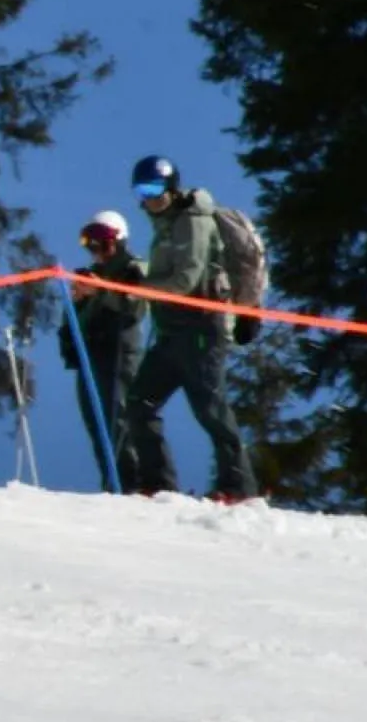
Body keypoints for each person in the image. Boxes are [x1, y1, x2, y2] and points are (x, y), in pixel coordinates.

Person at [118, 155, 257, 503]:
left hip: (200, 329)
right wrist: (141, 275)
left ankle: (239, 486)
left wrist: (143, 287)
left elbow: (185, 279)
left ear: (171, 187)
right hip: (171, 331)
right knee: (139, 402)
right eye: (142, 191)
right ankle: (157, 483)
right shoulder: (166, 224)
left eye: (154, 189)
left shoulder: (192, 221)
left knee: (210, 408)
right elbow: (171, 272)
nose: (149, 199)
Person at [58, 210, 146, 493]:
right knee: (96, 421)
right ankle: (112, 483)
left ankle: (133, 483)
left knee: (118, 420)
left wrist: (100, 293)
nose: (96, 250)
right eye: (89, 243)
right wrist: (78, 301)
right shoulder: (91, 275)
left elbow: (133, 308)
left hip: (119, 353)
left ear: (118, 240)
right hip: (91, 356)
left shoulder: (132, 269)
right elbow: (73, 320)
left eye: (102, 242)